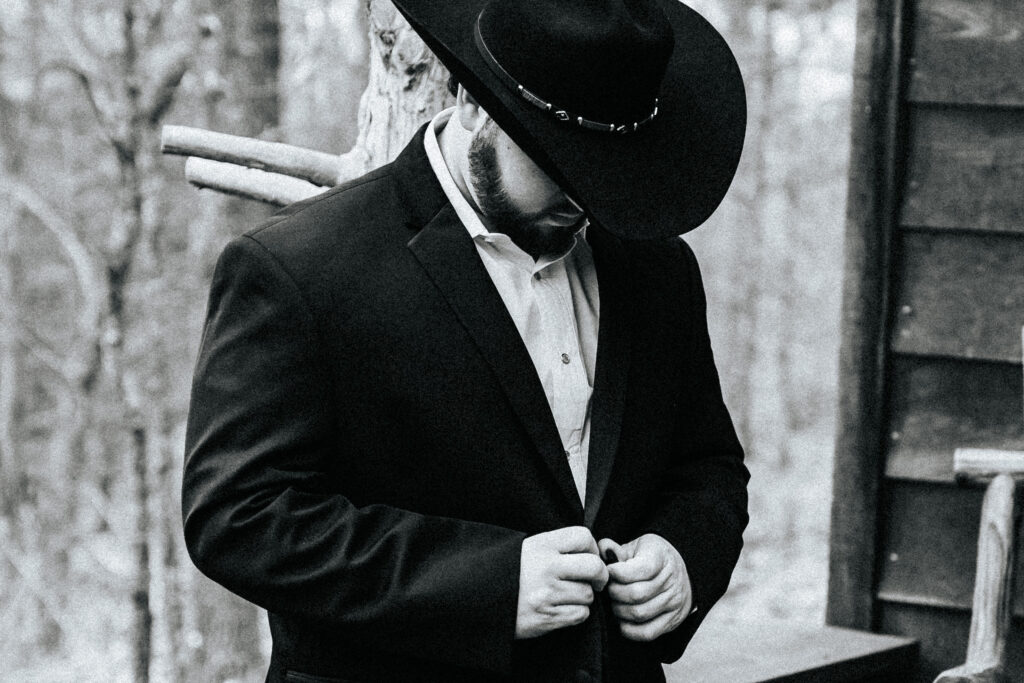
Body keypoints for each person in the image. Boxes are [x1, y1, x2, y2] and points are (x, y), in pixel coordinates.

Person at [182, 0, 749, 681]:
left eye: (608, 170)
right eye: (559, 163)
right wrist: (487, 584)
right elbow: (240, 515)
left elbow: (707, 465)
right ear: (476, 104)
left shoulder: (658, 270)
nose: (590, 197)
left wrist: (683, 556)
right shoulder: (297, 270)